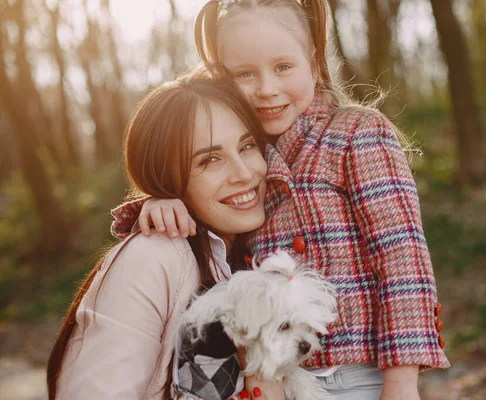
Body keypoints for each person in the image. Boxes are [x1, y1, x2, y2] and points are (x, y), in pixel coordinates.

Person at [111, 0, 451, 399]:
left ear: (312, 59)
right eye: (245, 74)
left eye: (283, 67)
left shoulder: (356, 134)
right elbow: (213, 224)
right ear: (223, 78)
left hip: (359, 373)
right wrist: (161, 202)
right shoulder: (246, 158)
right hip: (272, 378)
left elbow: (401, 260)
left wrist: (401, 382)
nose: (267, 89)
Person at [45, 66, 271, 400]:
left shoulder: (261, 250)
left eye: (248, 146)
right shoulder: (152, 255)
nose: (244, 173)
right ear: (167, 180)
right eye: (210, 159)